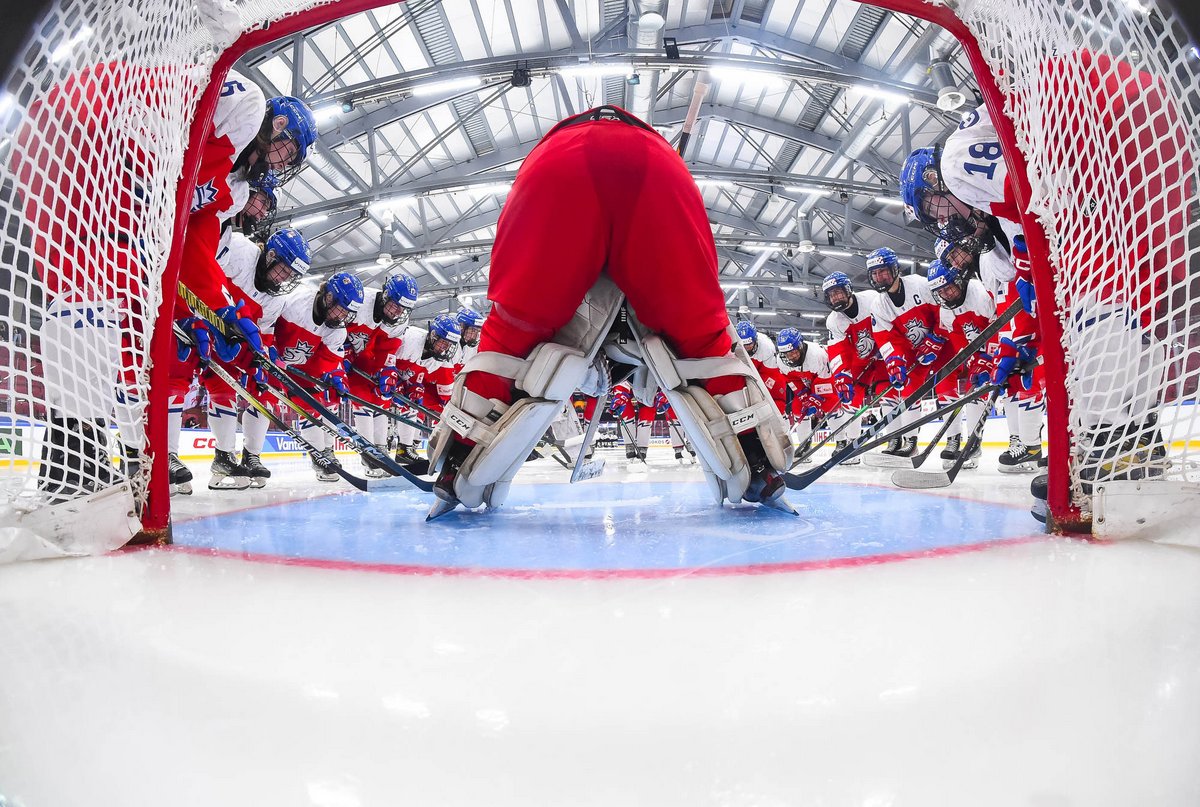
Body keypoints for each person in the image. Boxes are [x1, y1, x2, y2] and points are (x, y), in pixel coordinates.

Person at [425, 105, 792, 517]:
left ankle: (455, 467)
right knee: (704, 339)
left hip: (556, 161)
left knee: (510, 336)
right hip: (657, 165)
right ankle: (761, 468)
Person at [865, 247, 957, 459]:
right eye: (875, 273)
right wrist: (894, 360)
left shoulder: (920, 284)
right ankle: (911, 441)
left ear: (895, 269)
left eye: (883, 271)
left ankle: (954, 439)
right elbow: (886, 338)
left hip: (942, 344)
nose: (879, 277)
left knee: (945, 388)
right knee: (908, 392)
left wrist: (937, 336)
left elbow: (944, 308)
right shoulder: (879, 305)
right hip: (917, 353)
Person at [271, 272, 364, 482]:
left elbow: (331, 359)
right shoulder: (294, 301)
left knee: (318, 401)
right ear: (329, 297)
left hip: (301, 368)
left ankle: (321, 453)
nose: (342, 317)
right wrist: (268, 345)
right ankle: (249, 456)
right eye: (341, 310)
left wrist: (337, 377)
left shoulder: (337, 329)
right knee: (259, 400)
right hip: (273, 360)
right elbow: (267, 319)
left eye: (347, 313)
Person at [344, 273, 420, 478]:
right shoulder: (361, 302)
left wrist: (388, 369)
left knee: (382, 400)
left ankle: (380, 449)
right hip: (343, 360)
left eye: (404, 308)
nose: (398, 312)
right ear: (385, 295)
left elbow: (389, 350)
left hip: (368, 365)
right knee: (361, 398)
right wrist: (343, 348)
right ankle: (367, 451)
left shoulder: (399, 322)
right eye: (396, 305)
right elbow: (336, 322)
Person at [925, 259, 998, 469]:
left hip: (1002, 347)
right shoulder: (946, 311)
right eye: (941, 291)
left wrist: (990, 355)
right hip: (980, 353)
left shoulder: (979, 294)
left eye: (949, 287)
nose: (946, 294)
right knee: (969, 388)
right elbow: (959, 339)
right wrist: (976, 360)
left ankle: (1023, 443)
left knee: (1016, 392)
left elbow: (1000, 322)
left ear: (958, 279)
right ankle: (963, 443)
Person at [819, 271, 885, 465]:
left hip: (884, 354)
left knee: (888, 393)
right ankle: (853, 444)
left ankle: (897, 440)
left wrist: (885, 347)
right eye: (831, 295)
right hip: (860, 360)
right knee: (849, 398)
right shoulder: (834, 320)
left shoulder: (872, 300)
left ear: (848, 290)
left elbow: (887, 323)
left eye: (838, 292)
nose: (836, 297)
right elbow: (838, 351)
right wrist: (841, 375)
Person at [390, 314, 461, 464]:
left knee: (412, 404)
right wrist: (391, 377)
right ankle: (382, 448)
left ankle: (404, 450)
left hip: (399, 376)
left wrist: (415, 384)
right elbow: (387, 355)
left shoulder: (436, 357)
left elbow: (418, 371)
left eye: (448, 345)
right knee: (378, 406)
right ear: (433, 336)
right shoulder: (411, 339)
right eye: (443, 343)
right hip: (380, 371)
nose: (445, 348)